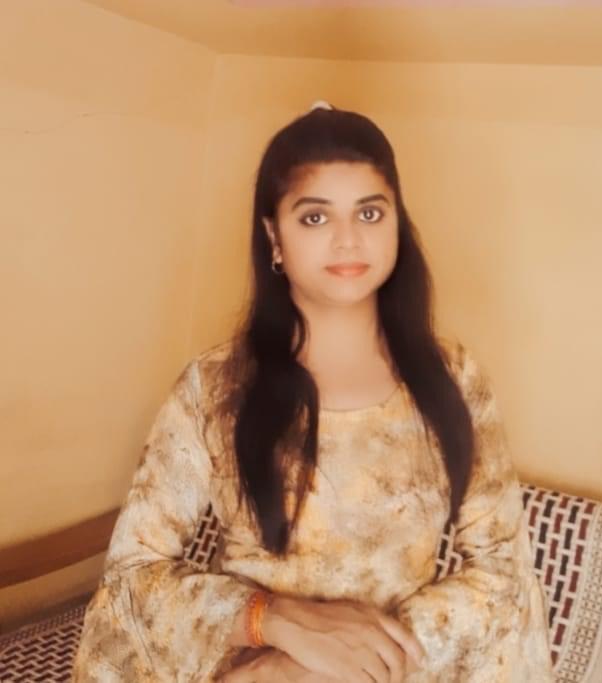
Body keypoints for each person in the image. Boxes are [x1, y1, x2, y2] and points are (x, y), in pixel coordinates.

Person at [72, 101, 555, 682]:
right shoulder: (214, 387)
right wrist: (275, 625)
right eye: (315, 218)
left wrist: (336, 663)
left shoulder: (455, 380)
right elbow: (133, 577)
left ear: (397, 223)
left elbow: (502, 575)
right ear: (273, 236)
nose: (349, 240)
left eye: (370, 213)